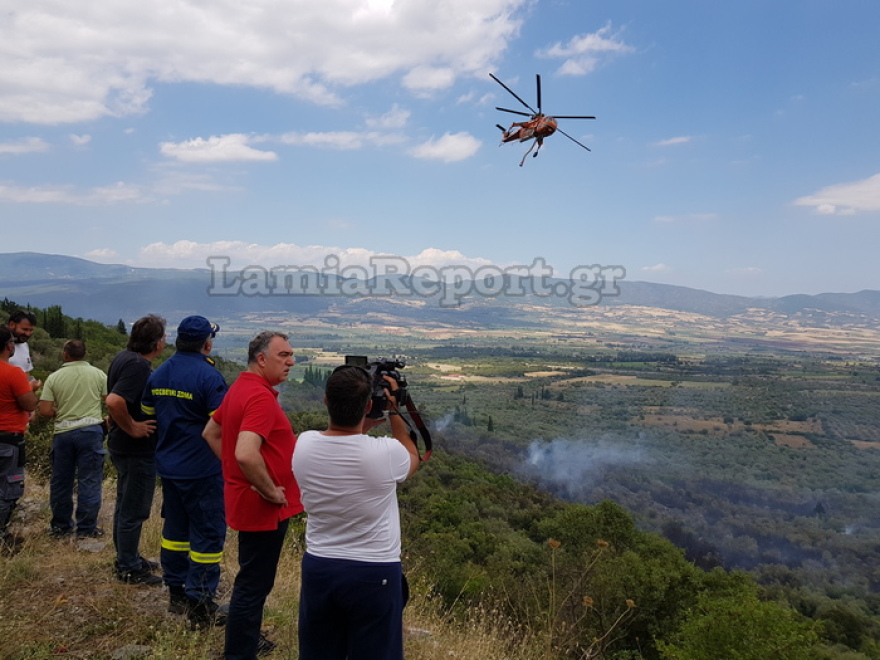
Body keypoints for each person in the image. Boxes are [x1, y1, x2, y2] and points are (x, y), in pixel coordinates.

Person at [292, 365, 420, 660]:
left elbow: (341, 437)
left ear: (325, 400)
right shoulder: (385, 453)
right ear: (367, 406)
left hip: (320, 567)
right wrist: (393, 411)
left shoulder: (304, 444)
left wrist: (361, 418)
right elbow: (412, 456)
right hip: (374, 572)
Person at [202, 331, 302, 659]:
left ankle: (243, 646)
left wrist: (235, 471)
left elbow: (211, 433)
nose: (291, 361)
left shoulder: (241, 387)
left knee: (251, 581)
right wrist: (268, 488)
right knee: (252, 587)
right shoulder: (259, 397)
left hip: (247, 502)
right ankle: (239, 653)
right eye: (283, 355)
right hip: (262, 508)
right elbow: (246, 453)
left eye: (291, 355)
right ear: (262, 359)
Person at [141, 315, 228, 627]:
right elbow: (223, 424)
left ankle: (176, 593)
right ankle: (201, 602)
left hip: (170, 467)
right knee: (207, 533)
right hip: (202, 469)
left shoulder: (159, 373)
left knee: (175, 532)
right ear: (206, 343)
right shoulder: (208, 377)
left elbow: (149, 414)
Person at [106, 314, 166, 586]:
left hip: (122, 446)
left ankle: (127, 556)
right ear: (156, 343)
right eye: (164, 337)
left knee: (124, 504)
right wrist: (132, 427)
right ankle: (129, 567)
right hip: (135, 448)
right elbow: (115, 400)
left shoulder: (123, 357)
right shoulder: (138, 366)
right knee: (134, 508)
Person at [38, 340, 108, 538]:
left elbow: (44, 410)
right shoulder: (98, 374)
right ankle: (86, 529)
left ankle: (61, 527)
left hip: (63, 433)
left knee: (61, 481)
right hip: (91, 431)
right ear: (84, 354)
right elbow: (110, 399)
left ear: (65, 354)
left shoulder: (54, 377)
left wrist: (57, 413)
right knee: (90, 480)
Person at [0, 326, 40, 544]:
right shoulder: (13, 373)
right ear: (8, 346)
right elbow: (28, 403)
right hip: (8, 438)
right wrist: (31, 388)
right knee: (8, 488)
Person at [6, 310, 38, 377]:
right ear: (12, 325)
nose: (28, 334)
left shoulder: (24, 345)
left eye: (31, 330)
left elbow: (26, 373)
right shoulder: (2, 345)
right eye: (25, 329)